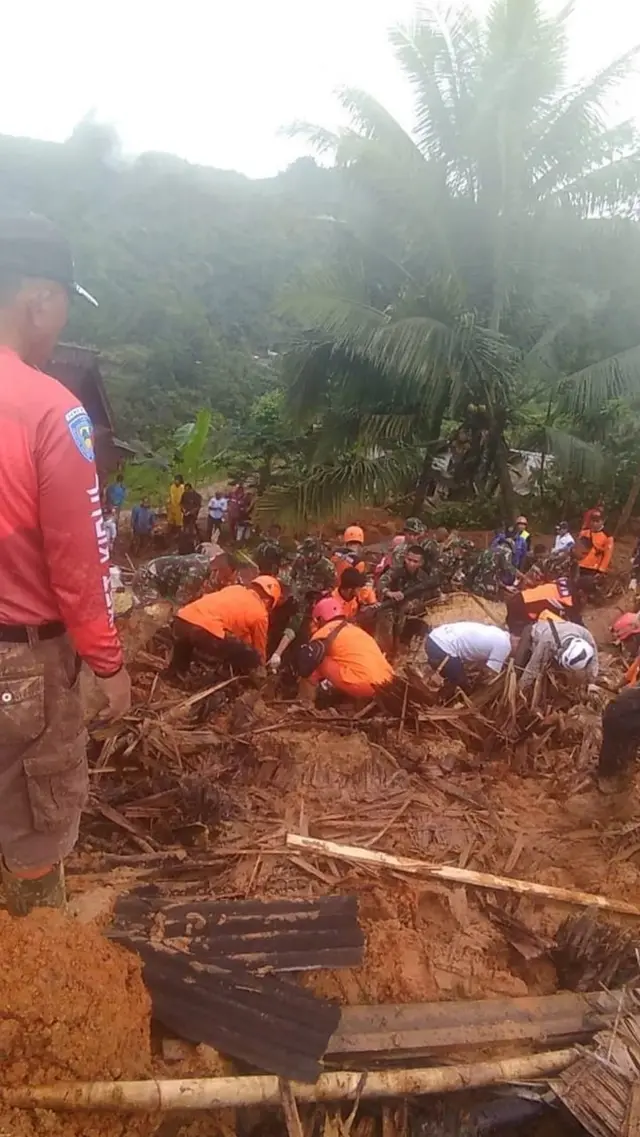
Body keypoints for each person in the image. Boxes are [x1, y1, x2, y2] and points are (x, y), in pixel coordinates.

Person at [0, 213, 130, 914]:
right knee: (34, 824)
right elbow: (78, 567)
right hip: (22, 662)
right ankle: (36, 983)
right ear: (39, 300)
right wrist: (108, 666)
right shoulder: (53, 411)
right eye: (62, 308)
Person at [167, 576, 281, 678]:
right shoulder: (261, 614)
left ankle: (175, 674)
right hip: (205, 632)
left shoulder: (235, 589)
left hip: (182, 619)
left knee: (186, 642)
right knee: (251, 656)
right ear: (268, 601)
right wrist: (262, 668)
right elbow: (259, 648)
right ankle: (222, 683)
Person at [301, 597, 394, 702]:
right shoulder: (356, 630)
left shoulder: (323, 633)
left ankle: (305, 702)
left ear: (321, 619)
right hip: (390, 684)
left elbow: (309, 663)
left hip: (365, 686)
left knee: (311, 657)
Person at [267, 538, 336, 672]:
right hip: (297, 596)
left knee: (301, 632)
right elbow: (292, 578)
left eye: (308, 553)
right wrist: (293, 591)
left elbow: (332, 588)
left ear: (316, 553)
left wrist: (318, 593)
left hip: (313, 601)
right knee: (279, 622)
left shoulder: (327, 567)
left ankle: (290, 660)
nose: (305, 556)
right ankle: (275, 652)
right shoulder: (299, 561)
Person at [377, 544, 442, 655]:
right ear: (405, 558)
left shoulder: (424, 578)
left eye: (415, 561)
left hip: (410, 612)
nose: (411, 563)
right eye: (409, 559)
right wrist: (390, 593)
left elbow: (431, 595)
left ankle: (402, 652)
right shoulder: (395, 571)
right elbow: (381, 583)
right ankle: (384, 653)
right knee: (386, 626)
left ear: (421, 563)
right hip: (390, 606)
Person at [424, 622, 512, 691]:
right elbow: (489, 674)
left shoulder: (498, 633)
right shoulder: (505, 645)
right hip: (443, 646)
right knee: (463, 686)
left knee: (454, 676)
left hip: (434, 637)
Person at [518, 618, 597, 693]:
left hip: (554, 637)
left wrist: (591, 682)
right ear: (562, 651)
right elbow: (533, 667)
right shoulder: (548, 641)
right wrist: (521, 688)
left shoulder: (586, 635)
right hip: (532, 634)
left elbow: (593, 659)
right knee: (518, 666)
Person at [131, 551, 215, 608]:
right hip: (146, 581)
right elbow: (181, 600)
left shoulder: (206, 563)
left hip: (160, 583)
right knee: (156, 615)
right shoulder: (196, 572)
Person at [596, 686, 640, 792]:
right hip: (618, 716)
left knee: (625, 748)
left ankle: (621, 768)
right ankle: (605, 777)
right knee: (612, 748)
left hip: (623, 712)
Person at [505, 577, 576, 635]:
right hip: (523, 607)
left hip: (521, 597)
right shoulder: (568, 601)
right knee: (519, 639)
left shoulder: (564, 581)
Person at [578, 512, 614, 586]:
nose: (594, 523)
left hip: (592, 568)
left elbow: (607, 555)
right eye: (593, 521)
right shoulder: (584, 532)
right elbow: (578, 547)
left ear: (602, 521)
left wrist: (601, 570)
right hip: (579, 564)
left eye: (597, 521)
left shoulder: (607, 536)